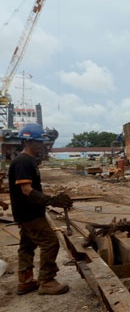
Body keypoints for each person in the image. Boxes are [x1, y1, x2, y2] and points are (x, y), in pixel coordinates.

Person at [9, 123, 73, 295]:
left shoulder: (28, 160)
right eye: (38, 141)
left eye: (42, 141)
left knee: (27, 246)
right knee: (50, 242)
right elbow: (26, 190)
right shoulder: (23, 161)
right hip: (30, 213)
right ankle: (47, 281)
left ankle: (26, 281)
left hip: (26, 212)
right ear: (27, 141)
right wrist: (51, 200)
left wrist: (49, 199)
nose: (41, 144)